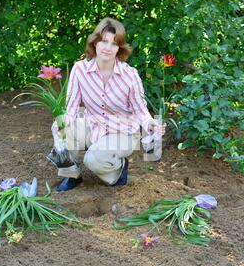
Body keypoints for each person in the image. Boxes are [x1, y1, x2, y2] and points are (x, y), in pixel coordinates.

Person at [53, 17, 165, 192]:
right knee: (59, 126)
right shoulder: (80, 70)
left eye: (114, 44)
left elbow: (140, 109)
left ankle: (118, 169)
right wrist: (66, 121)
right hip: (95, 127)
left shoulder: (130, 75)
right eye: (104, 41)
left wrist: (150, 123)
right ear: (95, 42)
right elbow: (72, 106)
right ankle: (71, 175)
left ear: (119, 48)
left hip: (123, 132)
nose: (107, 48)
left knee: (93, 160)